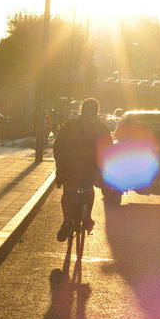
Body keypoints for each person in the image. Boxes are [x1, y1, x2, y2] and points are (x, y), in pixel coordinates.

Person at [53, 97, 112, 242]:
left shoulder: (70, 125)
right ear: (97, 112)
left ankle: (66, 221)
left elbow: (58, 144)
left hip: (70, 167)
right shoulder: (101, 128)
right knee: (88, 189)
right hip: (91, 169)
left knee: (68, 191)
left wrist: (60, 161)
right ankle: (88, 217)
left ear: (82, 110)